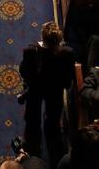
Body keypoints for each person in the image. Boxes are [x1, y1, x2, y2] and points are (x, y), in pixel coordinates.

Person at [19, 21, 75, 162]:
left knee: (32, 119)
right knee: (53, 120)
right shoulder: (67, 53)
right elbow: (68, 79)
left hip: (35, 89)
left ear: (43, 37)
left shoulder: (31, 51)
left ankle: (33, 146)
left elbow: (23, 72)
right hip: (55, 90)